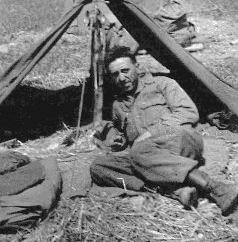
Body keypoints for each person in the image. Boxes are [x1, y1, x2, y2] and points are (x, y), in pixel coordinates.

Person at [90, 46, 238, 215]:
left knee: (139, 152)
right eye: (115, 74)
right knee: (99, 166)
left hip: (179, 141)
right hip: (149, 158)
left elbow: (188, 112)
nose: (121, 78)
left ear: (137, 68)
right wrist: (118, 140)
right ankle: (177, 190)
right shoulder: (118, 106)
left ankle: (215, 188)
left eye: (125, 70)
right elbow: (123, 135)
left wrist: (151, 133)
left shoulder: (162, 84)